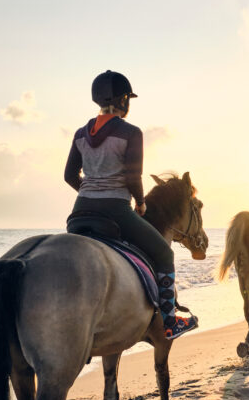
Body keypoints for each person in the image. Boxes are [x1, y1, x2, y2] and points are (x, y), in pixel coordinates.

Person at [64, 70, 198, 339]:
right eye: (128, 99)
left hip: (78, 213)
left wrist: (89, 192)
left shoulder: (80, 134)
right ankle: (171, 322)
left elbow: (69, 176)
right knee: (164, 254)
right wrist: (139, 203)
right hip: (116, 211)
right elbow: (133, 176)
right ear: (124, 100)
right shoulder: (131, 132)